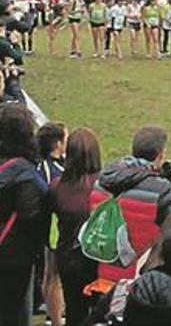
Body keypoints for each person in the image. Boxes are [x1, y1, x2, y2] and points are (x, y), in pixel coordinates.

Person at [84, 126, 171, 297]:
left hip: (100, 271)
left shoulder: (102, 181)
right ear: (161, 154)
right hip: (138, 278)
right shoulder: (159, 190)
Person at [49, 127, 101, 326]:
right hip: (98, 258)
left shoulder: (57, 187)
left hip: (68, 257)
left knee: (74, 310)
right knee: (100, 311)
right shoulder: (106, 186)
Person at [0, 104, 46, 326]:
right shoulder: (25, 175)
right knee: (11, 311)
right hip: (13, 255)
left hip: (11, 248)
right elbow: (31, 217)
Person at [34, 123, 67, 326]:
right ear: (57, 143)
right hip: (54, 229)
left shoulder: (42, 165)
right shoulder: (53, 171)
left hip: (47, 230)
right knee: (55, 276)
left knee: (49, 274)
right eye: (65, 138)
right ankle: (55, 318)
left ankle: (51, 313)